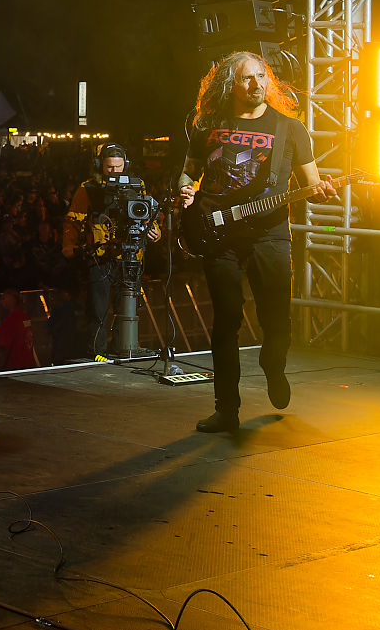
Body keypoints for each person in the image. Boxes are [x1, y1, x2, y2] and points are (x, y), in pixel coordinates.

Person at [178, 51, 336, 434]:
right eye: (248, 78)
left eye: (262, 77)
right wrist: (185, 191)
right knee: (227, 321)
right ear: (231, 84)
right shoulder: (209, 126)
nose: (258, 84)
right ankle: (226, 410)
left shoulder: (290, 129)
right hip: (219, 234)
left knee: (277, 317)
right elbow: (188, 173)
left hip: (270, 233)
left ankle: (273, 364)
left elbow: (310, 184)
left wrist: (321, 192)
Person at [61, 144, 161, 359]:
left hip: (130, 256)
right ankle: (97, 351)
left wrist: (155, 230)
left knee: (127, 304)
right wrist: (68, 244)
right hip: (100, 257)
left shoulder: (137, 185)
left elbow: (147, 212)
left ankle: (124, 347)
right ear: (100, 166)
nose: (115, 172)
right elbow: (73, 220)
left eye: (119, 167)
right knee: (98, 308)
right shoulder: (87, 188)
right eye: (110, 167)